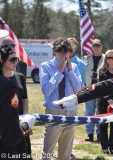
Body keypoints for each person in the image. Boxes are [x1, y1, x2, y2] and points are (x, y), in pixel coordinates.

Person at [39, 37, 83, 160]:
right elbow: (46, 90)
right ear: (54, 52)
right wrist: (59, 72)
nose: (64, 55)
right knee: (47, 151)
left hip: (71, 112)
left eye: (67, 52)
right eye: (61, 52)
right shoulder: (46, 66)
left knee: (65, 153)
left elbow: (79, 89)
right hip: (54, 112)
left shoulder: (73, 67)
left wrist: (69, 70)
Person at [0, 29, 36, 159]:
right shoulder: (7, 84)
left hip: (18, 122)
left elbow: (24, 98)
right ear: (2, 60)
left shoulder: (19, 77)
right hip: (7, 130)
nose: (16, 62)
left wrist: (25, 116)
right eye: (12, 59)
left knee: (24, 153)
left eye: (17, 59)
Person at [84, 38, 105, 142]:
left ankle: (100, 134)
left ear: (101, 47)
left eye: (98, 46)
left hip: (101, 88)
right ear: (91, 47)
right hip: (89, 89)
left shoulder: (106, 58)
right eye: (94, 46)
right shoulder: (86, 59)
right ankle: (90, 133)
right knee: (89, 112)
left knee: (100, 111)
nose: (96, 48)